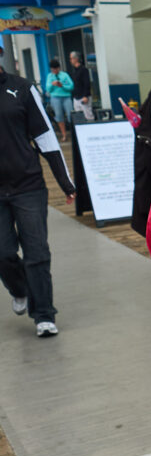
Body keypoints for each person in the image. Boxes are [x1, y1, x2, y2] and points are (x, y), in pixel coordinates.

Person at [0, 34, 76, 337]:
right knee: (3, 253)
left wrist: (65, 183)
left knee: (36, 252)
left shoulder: (21, 88)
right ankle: (19, 289)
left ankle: (44, 314)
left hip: (28, 185)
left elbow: (45, 136)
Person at [45, 59, 74, 142]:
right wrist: (52, 84)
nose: (55, 70)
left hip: (66, 97)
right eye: (53, 69)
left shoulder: (64, 75)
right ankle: (64, 135)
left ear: (59, 68)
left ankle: (74, 133)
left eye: (56, 68)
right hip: (55, 98)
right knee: (59, 116)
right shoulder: (49, 76)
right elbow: (47, 89)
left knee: (70, 115)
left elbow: (71, 86)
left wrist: (62, 86)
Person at [69, 51, 94, 120]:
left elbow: (87, 83)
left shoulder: (84, 70)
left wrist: (85, 95)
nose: (70, 60)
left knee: (88, 116)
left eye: (71, 58)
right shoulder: (74, 71)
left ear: (76, 59)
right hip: (76, 97)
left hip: (83, 97)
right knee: (79, 117)